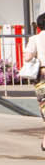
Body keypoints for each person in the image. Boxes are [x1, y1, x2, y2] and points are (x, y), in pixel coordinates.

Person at [25, 15, 45, 150]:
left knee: (44, 103)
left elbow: (27, 57)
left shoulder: (35, 39)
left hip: (42, 75)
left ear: (38, 26)